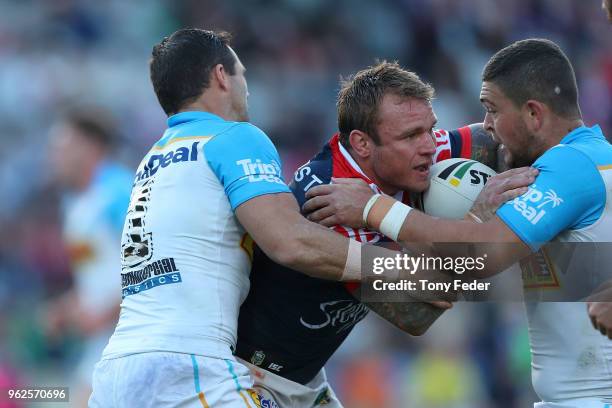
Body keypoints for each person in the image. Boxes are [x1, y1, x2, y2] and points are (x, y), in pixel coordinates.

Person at [88, 29, 411, 408]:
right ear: (222, 76)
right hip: (191, 369)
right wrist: (399, 265)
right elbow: (290, 242)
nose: (247, 87)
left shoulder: (153, 160)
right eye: (242, 74)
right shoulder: (235, 137)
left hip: (116, 371)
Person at [305, 39, 612, 408]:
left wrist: (373, 208)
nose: (486, 126)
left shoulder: (571, 166)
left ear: (533, 114)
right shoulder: (589, 160)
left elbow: (479, 255)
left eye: (492, 110)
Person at [234, 61, 533, 407]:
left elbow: (493, 139)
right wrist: (476, 222)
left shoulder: (419, 154)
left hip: (308, 378)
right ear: (362, 144)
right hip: (254, 378)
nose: (429, 147)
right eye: (410, 136)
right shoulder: (327, 203)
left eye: (429, 129)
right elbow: (420, 313)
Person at [46, 109, 133, 407]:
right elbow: (98, 275)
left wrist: (106, 314)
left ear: (90, 147)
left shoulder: (120, 192)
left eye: (62, 146)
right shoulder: (75, 204)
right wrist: (67, 307)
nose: (53, 156)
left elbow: (149, 266)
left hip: (131, 336)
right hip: (103, 339)